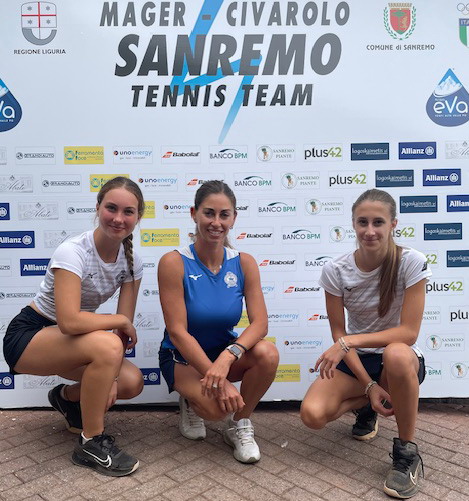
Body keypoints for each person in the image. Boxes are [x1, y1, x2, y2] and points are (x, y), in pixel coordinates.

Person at [3, 176, 145, 477]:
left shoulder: (132, 262)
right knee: (108, 345)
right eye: (111, 208)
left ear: (138, 217)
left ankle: (66, 399)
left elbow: (121, 334)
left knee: (130, 382)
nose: (118, 218)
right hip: (30, 337)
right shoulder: (73, 251)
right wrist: (120, 321)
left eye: (128, 211)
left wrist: (113, 376)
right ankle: (91, 442)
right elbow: (69, 321)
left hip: (73, 341)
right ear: (98, 208)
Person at [300, 189, 431, 499]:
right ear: (353, 224)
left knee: (396, 353)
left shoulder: (411, 262)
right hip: (358, 360)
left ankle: (407, 454)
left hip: (398, 360)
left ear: (393, 224)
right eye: (362, 222)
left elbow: (408, 333)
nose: (370, 231)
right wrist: (368, 386)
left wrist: (348, 341)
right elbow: (338, 331)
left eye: (378, 222)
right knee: (312, 415)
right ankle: (367, 404)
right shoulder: (335, 270)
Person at [158, 180, 279, 463]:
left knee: (268, 353)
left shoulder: (244, 262)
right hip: (181, 357)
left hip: (223, 351)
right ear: (194, 214)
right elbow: (177, 332)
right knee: (215, 410)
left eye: (224, 215)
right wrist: (219, 382)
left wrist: (228, 356)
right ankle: (191, 401)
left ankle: (239, 424)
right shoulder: (173, 262)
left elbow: (260, 324)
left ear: (234, 218)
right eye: (208, 213)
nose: (216, 222)